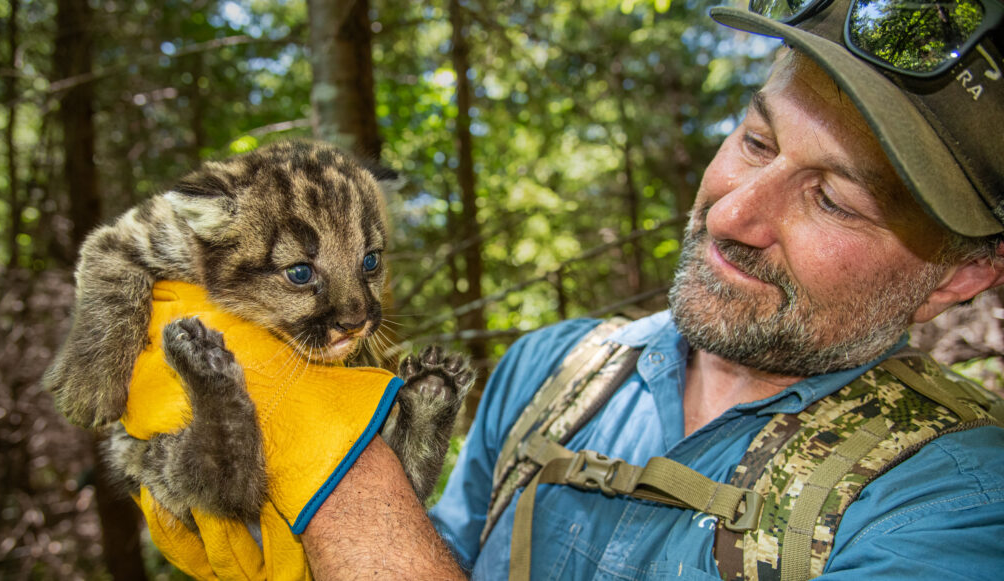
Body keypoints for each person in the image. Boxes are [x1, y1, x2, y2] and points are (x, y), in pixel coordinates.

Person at [425, 1, 1004, 579]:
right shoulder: (549, 369)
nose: (730, 215)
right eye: (757, 142)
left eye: (833, 200)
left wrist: (358, 475)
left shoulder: (959, 504)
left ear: (960, 276)